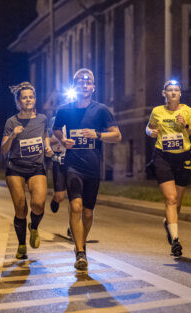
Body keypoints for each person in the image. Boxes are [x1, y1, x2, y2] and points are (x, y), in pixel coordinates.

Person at [53, 68, 121, 270]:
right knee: (75, 206)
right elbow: (56, 129)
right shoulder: (64, 110)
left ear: (93, 87)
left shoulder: (101, 110)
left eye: (88, 82)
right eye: (80, 82)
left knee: (88, 213)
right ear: (75, 86)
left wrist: (98, 135)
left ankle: (79, 244)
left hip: (93, 167)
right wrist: (63, 140)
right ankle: (81, 251)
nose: (84, 84)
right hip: (72, 165)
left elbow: (117, 135)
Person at [145, 80, 191, 257]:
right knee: (170, 199)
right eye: (169, 90)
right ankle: (176, 241)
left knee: (177, 202)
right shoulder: (157, 111)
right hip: (163, 157)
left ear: (180, 94)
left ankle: (169, 223)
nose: (173, 93)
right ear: (164, 93)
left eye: (176, 90)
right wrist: (150, 132)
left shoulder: (189, 112)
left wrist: (186, 125)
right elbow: (149, 127)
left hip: (184, 157)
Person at [1, 82, 53, 259]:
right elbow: (3, 149)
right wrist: (13, 135)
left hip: (36, 167)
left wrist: (47, 147)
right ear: (18, 102)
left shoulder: (43, 119)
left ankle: (34, 227)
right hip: (15, 168)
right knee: (21, 208)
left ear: (35, 100)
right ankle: (22, 244)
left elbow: (44, 136)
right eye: (24, 97)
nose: (28, 99)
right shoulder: (11, 122)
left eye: (31, 97)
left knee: (38, 204)